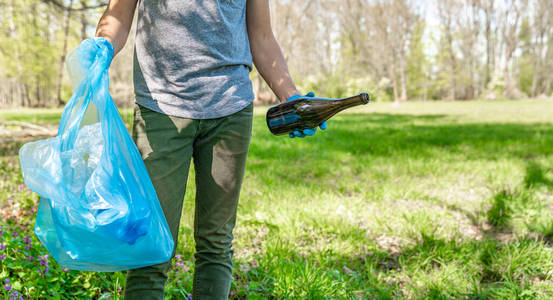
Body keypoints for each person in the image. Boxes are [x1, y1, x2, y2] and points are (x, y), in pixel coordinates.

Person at [94, 0, 327, 298]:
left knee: (216, 241)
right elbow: (119, 15)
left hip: (230, 110)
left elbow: (262, 37)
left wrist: (290, 95)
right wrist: (100, 49)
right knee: (151, 241)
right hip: (160, 109)